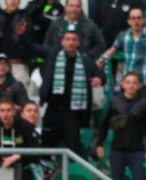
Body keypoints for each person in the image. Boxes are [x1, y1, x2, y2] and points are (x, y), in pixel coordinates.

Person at [25, 28, 101, 157]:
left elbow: (100, 74)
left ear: (78, 43)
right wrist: (22, 35)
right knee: (46, 146)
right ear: (62, 42)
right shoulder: (53, 55)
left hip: (72, 112)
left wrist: (99, 79)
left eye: (74, 39)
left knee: (73, 149)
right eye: (68, 39)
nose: (71, 42)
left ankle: (72, 169)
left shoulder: (85, 61)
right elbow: (32, 48)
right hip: (53, 109)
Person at [95, 71, 146, 180]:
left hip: (137, 150)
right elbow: (105, 124)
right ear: (122, 85)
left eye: (134, 83)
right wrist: (100, 143)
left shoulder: (143, 103)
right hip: (118, 150)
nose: (131, 85)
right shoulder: (115, 101)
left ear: (139, 85)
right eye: (128, 82)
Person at [0, 0, 35, 82]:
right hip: (0, 64)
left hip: (19, 64)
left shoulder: (25, 16)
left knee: (21, 88)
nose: (13, 1)